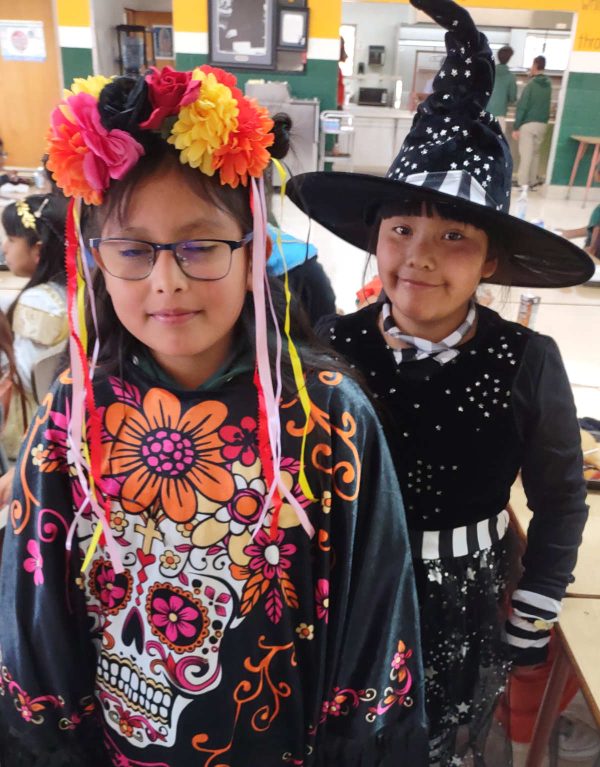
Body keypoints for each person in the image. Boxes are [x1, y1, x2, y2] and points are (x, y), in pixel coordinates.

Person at [0, 68, 427, 766]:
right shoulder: (72, 419)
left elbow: (376, 625)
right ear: (97, 260)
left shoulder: (328, 419)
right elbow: (34, 623)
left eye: (200, 245)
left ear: (256, 248)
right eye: (134, 250)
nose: (166, 280)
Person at [286, 0, 594, 763]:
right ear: (375, 238)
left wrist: (533, 606)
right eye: (402, 229)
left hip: (464, 597)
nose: (421, 255)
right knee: (344, 729)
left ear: (491, 260)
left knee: (437, 736)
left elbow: (560, 497)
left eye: (454, 235)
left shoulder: (530, 360)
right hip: (348, 588)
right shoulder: (334, 341)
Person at [0, 193, 69, 461]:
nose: (5, 247)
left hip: (34, 419)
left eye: (12, 239)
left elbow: (32, 376)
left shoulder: (36, 303)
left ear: (38, 250)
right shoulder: (71, 293)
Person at [512, 55, 552, 192]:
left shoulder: (531, 85)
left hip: (528, 124)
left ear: (535, 65)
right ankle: (533, 182)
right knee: (535, 154)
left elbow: (522, 106)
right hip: (542, 124)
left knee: (526, 155)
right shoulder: (549, 85)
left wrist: (516, 126)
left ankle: (522, 183)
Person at [487, 46, 517, 133]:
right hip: (500, 116)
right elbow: (512, 98)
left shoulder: (489, 72)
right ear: (509, 59)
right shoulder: (510, 77)